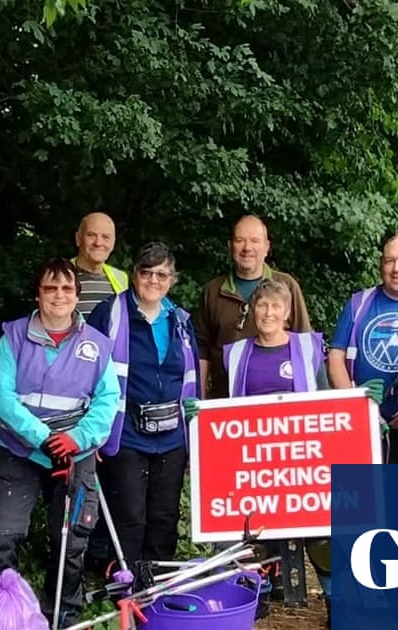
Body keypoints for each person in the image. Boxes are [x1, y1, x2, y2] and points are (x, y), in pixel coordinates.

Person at [0, 258, 119, 625]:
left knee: (72, 541)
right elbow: (0, 399)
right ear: (37, 294)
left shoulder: (98, 345)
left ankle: (63, 616)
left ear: (77, 295)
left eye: (67, 288)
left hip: (77, 453)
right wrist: (44, 438)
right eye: (50, 287)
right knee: (2, 536)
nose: (59, 295)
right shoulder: (12, 337)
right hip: (21, 450)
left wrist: (76, 438)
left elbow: (108, 402)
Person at [217, 279, 329, 624]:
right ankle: (253, 600)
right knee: (253, 530)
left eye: (276, 306)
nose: (268, 313)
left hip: (301, 460)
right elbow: (223, 409)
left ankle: (336, 602)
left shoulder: (308, 349)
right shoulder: (236, 352)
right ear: (254, 310)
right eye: (263, 305)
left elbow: (327, 399)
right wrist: (199, 415)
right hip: (252, 462)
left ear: (288, 312)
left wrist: (362, 408)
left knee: (320, 532)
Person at [86, 242, 199, 568]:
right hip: (126, 431)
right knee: (129, 514)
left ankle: (158, 587)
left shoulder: (179, 319)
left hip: (173, 434)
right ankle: (125, 587)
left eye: (162, 274)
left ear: (172, 279)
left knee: (164, 514)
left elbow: (193, 377)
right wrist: (91, 431)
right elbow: (87, 372)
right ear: (133, 274)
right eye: (146, 272)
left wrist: (196, 436)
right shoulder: (109, 314)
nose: (153, 280)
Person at [327, 233, 398, 464]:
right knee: (371, 497)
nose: (396, 268)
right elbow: (335, 356)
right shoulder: (358, 304)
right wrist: (355, 403)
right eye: (389, 260)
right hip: (366, 429)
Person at [195, 215, 312, 399]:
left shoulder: (286, 285)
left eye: (255, 241)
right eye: (240, 240)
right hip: (226, 404)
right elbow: (201, 351)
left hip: (284, 403)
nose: (247, 248)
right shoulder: (213, 291)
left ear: (266, 247)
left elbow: (305, 345)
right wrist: (199, 400)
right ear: (230, 246)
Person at [72, 212, 129, 316]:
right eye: (91, 235)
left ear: (113, 242)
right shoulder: (60, 275)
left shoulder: (121, 278)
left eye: (106, 237)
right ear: (78, 238)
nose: (98, 243)